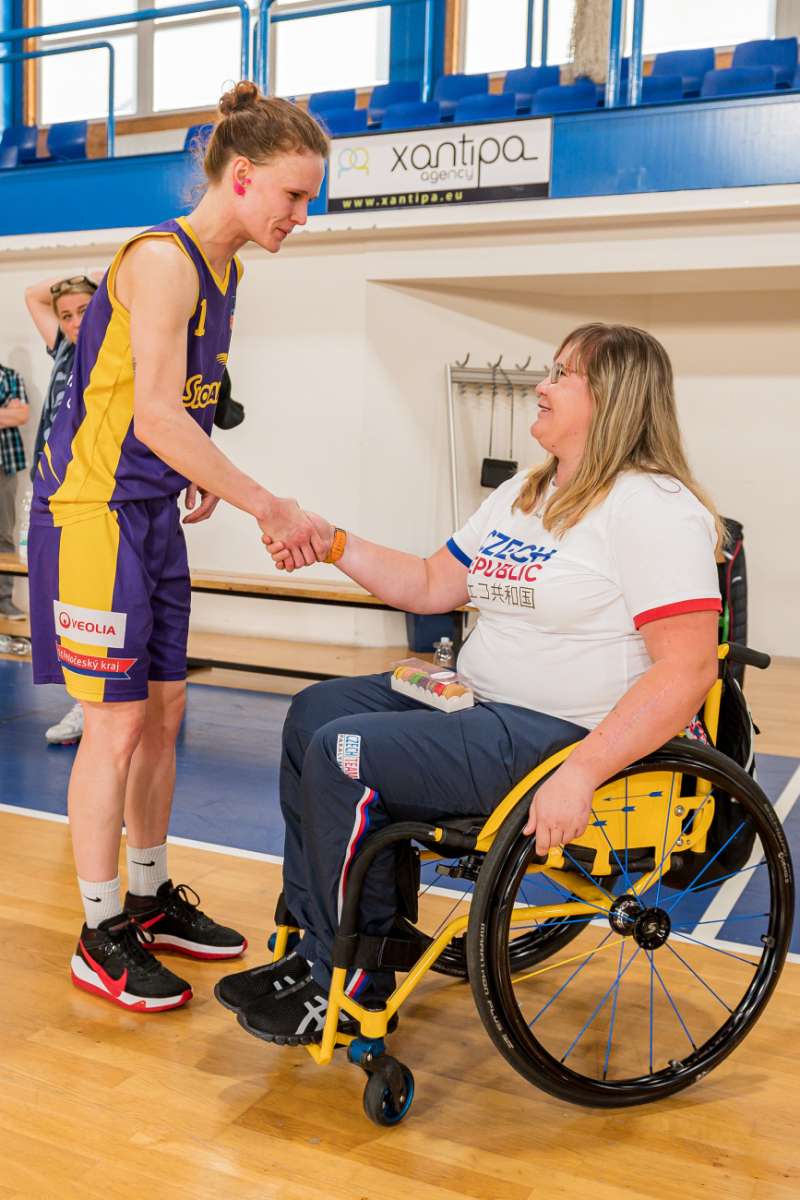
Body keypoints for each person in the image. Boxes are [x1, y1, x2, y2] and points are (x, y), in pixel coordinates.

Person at [216, 322, 723, 1046]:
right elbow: (430, 584)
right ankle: (314, 942)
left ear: (613, 398)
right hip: (479, 706)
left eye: (562, 375)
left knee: (343, 751)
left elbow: (689, 668)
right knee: (313, 712)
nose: (541, 386)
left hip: (561, 733)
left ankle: (348, 980)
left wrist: (582, 773)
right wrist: (332, 542)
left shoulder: (653, 507)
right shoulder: (528, 491)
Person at [27, 81, 330, 1012]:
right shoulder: (163, 260)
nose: (301, 215)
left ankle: (149, 897)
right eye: (293, 194)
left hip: (150, 507)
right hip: (92, 511)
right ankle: (98, 932)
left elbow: (175, 406)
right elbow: (155, 413)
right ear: (241, 177)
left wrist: (196, 463)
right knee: (115, 725)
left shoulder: (227, 271)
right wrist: (265, 504)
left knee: (164, 712)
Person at [25, 271, 102, 743]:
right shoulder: (64, 350)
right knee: (59, 598)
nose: (74, 323)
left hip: (92, 494)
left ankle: (93, 706)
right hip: (51, 490)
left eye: (84, 311)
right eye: (67, 315)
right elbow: (32, 295)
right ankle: (84, 699)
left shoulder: (111, 348)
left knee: (91, 599)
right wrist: (79, 283)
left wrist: (99, 282)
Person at [0, 358, 29, 619]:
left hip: (4, 467)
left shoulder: (10, 376)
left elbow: (22, 415)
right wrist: (5, 411)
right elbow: (12, 414)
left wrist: (14, 413)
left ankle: (4, 600)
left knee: (5, 533)